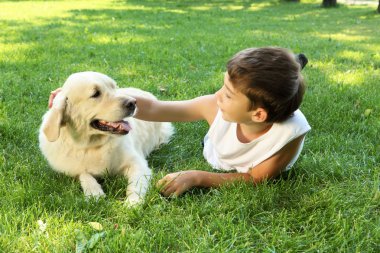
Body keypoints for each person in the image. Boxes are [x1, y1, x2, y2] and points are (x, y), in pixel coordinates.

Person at [49, 47, 311, 198]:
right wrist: (76, 95)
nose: (219, 94)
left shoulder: (288, 134)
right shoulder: (214, 106)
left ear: (258, 116)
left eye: (229, 94)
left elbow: (254, 178)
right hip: (218, 148)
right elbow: (156, 107)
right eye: (223, 86)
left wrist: (197, 176)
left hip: (247, 165)